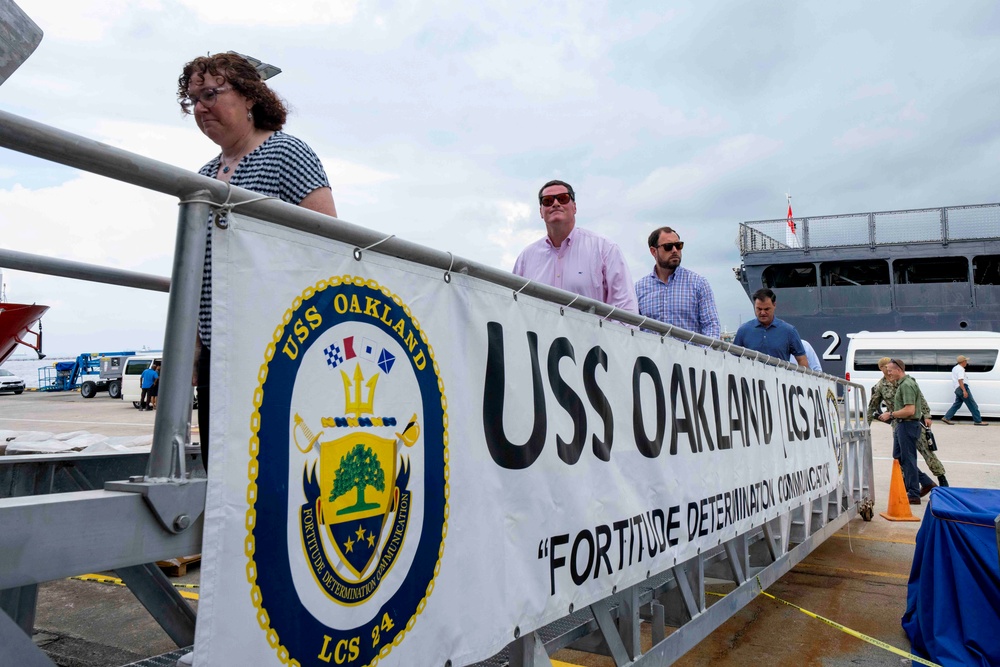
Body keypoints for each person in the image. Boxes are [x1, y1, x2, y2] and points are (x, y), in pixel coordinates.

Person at [179, 52, 338, 469]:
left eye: (211, 93)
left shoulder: (287, 153)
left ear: (250, 97)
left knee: (274, 471)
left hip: (277, 346)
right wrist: (191, 348)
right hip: (220, 350)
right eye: (193, 99)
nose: (201, 107)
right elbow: (199, 272)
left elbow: (330, 243)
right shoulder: (203, 175)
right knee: (224, 472)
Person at [513, 180, 637, 313]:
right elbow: (512, 303)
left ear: (574, 207)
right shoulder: (526, 258)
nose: (555, 204)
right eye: (548, 201)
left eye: (563, 198)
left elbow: (625, 308)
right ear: (541, 212)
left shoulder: (604, 249)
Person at [867, 357, 948, 487]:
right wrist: (866, 426)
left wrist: (927, 415)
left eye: (890, 367)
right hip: (897, 422)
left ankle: (941, 478)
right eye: (886, 368)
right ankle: (913, 482)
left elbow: (920, 397)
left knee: (926, 451)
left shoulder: (906, 382)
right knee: (901, 457)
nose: (889, 371)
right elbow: (871, 407)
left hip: (913, 420)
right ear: (881, 369)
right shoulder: (880, 386)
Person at [634, 226, 720, 338]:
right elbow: (633, 328)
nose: (675, 250)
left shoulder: (698, 284)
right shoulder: (638, 289)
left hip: (690, 355)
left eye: (678, 246)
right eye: (668, 247)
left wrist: (700, 354)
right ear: (653, 251)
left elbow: (711, 326)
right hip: (651, 354)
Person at [877, 358, 938, 504]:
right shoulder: (903, 384)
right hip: (901, 425)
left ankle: (913, 494)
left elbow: (910, 410)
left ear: (899, 370)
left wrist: (890, 414)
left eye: (890, 370)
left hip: (908, 425)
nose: (888, 373)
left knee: (908, 458)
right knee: (898, 456)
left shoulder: (907, 385)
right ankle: (926, 482)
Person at [733, 288, 808, 366]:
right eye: (759, 309)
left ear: (774, 305)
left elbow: (802, 359)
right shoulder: (743, 331)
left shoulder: (789, 331)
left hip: (780, 377)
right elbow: (733, 359)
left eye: (766, 309)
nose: (762, 312)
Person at [941, 354, 987, 426]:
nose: (966, 363)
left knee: (957, 404)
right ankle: (978, 421)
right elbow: (960, 380)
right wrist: (964, 390)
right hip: (962, 387)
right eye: (966, 361)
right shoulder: (960, 369)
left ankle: (946, 417)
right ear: (963, 362)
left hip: (957, 388)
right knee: (972, 405)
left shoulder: (955, 368)